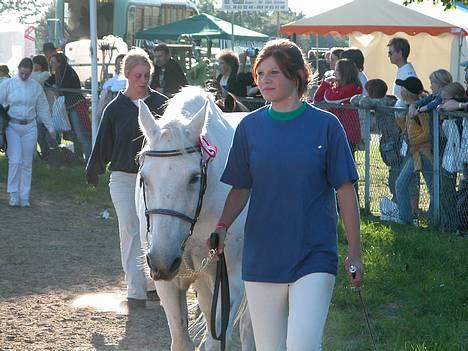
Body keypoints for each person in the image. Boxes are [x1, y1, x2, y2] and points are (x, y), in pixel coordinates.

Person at [207, 38, 362, 351]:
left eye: (273, 73)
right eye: (260, 73)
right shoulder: (249, 127)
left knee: (302, 345)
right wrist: (222, 226)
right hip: (262, 257)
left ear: (296, 76)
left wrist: (355, 251)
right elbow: (240, 186)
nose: (264, 80)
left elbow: (345, 190)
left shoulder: (326, 125)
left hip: (313, 254)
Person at [86, 48, 168, 309]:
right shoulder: (115, 108)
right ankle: (135, 289)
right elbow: (103, 143)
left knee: (153, 231)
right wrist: (93, 168)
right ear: (127, 76)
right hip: (123, 178)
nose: (142, 80)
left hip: (155, 179)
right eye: (137, 76)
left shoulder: (161, 104)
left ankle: (154, 284)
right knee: (131, 230)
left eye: (146, 75)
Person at [0, 58, 56, 207]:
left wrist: (50, 128)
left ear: (31, 72)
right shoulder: (8, 85)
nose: (24, 76)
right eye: (21, 73)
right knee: (15, 160)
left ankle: (24, 196)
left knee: (26, 162)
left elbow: (43, 107)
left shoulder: (35, 87)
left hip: (30, 126)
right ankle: (13, 193)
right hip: (12, 125)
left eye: (27, 74)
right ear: (18, 69)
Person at [351, 79, 401, 200]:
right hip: (389, 141)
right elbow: (353, 100)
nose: (365, 94)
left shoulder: (386, 102)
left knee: (396, 173)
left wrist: (362, 98)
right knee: (394, 172)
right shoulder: (378, 102)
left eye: (367, 91)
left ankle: (399, 201)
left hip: (396, 142)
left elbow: (363, 102)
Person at [394, 77, 433, 225]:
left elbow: (427, 133)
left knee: (431, 188)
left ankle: (422, 221)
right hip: (416, 153)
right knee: (402, 184)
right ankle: (407, 220)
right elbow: (409, 129)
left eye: (403, 88)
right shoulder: (409, 107)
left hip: (423, 153)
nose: (400, 91)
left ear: (408, 92)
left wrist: (412, 142)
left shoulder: (420, 110)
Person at [45, 53, 91, 161]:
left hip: (76, 105)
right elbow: (48, 83)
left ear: (59, 63)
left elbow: (64, 85)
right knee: (73, 135)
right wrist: (52, 86)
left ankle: (90, 161)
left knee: (81, 136)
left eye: (53, 62)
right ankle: (79, 158)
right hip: (68, 107)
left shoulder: (68, 71)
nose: (51, 64)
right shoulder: (58, 73)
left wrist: (55, 87)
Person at [314, 58, 363, 155]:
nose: (334, 72)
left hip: (348, 132)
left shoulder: (354, 87)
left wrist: (327, 86)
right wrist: (325, 83)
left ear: (344, 72)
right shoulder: (336, 87)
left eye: (336, 70)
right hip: (334, 130)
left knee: (346, 162)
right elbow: (317, 99)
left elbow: (331, 99)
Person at [31, 55, 54, 161]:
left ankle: (51, 156)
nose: (33, 65)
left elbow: (36, 82)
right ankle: (45, 155)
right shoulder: (31, 74)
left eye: (35, 63)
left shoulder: (45, 74)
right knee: (39, 136)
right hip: (34, 109)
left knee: (48, 136)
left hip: (45, 108)